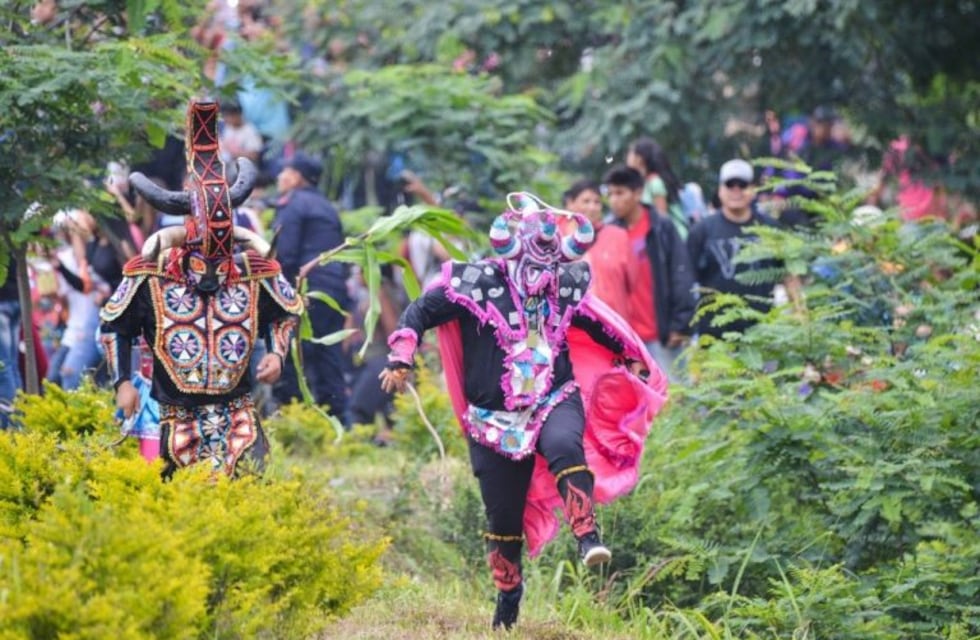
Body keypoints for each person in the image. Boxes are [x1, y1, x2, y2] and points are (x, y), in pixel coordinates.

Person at [379, 196, 667, 630]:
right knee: (503, 519)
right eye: (533, 268)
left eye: (550, 270)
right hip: (492, 422)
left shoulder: (565, 286)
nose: (540, 279)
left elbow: (599, 324)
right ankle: (508, 595)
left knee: (563, 443)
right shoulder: (477, 283)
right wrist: (402, 355)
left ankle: (587, 536)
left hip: (553, 396)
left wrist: (631, 357)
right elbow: (420, 310)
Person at [99, 101, 303, 477]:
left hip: (238, 410)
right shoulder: (150, 275)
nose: (212, 275)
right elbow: (115, 327)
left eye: (220, 263)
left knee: (245, 491)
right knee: (180, 506)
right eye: (202, 264)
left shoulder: (252, 273)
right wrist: (122, 383)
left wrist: (276, 353)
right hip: (174, 415)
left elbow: (286, 312)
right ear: (184, 248)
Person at [271, 151, 350, 423]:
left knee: (294, 350)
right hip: (334, 288)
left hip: (308, 286)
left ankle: (296, 416)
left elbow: (286, 254)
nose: (280, 177)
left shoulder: (293, 205)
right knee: (329, 354)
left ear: (295, 177)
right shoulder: (327, 207)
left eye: (285, 172)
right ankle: (338, 420)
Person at [605, 166, 695, 381]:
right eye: (610, 194)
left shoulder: (661, 227)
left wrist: (680, 324)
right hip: (627, 339)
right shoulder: (610, 232)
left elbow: (681, 274)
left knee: (678, 398)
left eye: (620, 193)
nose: (614, 200)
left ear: (637, 193)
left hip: (662, 333)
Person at [687, 159, 782, 339]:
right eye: (730, 185)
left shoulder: (772, 229)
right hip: (714, 338)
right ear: (720, 190)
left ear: (753, 189)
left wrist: (801, 319)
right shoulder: (701, 231)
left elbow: (790, 277)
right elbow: (686, 281)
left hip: (764, 335)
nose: (736, 190)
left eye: (742, 184)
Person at [562, 179, 636, 320]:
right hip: (569, 328)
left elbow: (633, 285)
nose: (592, 207)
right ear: (570, 203)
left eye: (597, 202)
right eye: (586, 201)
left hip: (611, 324)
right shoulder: (554, 240)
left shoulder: (617, 236)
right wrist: (532, 338)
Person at [626, 137, 690, 239]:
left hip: (674, 240)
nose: (627, 158)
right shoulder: (644, 183)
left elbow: (662, 217)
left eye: (630, 153)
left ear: (639, 158)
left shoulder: (654, 182)